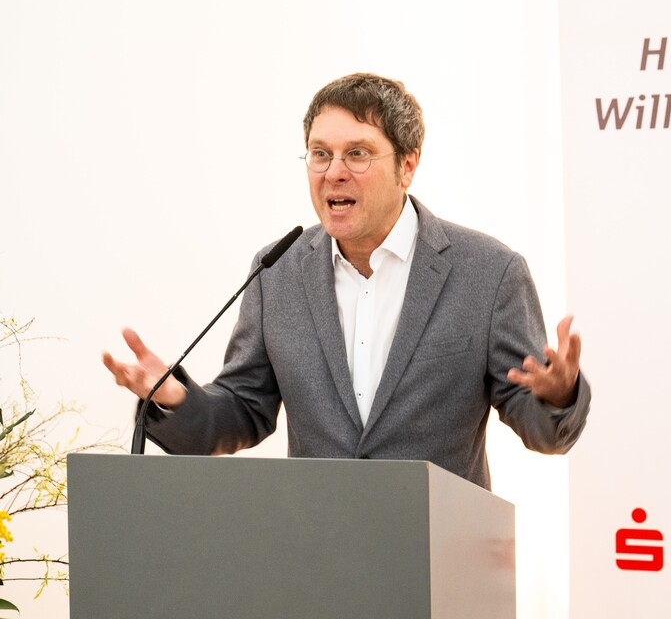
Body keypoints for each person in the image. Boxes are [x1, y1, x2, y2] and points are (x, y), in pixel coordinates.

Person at [102, 73, 590, 490]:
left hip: (438, 552)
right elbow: (244, 409)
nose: (334, 173)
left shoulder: (489, 272)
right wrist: (176, 399)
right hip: (317, 551)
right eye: (320, 154)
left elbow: (544, 431)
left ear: (407, 165)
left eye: (357, 153)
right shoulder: (278, 271)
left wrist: (558, 396)